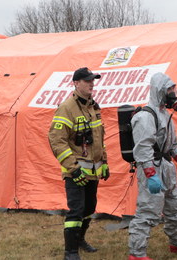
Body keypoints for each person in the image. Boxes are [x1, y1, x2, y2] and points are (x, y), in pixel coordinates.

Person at [127, 72, 177, 260]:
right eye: (169, 89)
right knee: (148, 210)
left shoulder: (165, 114)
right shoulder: (145, 116)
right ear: (159, 90)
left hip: (166, 167)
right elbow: (143, 148)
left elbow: (173, 145)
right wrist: (151, 174)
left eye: (173, 89)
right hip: (151, 167)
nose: (172, 93)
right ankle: (137, 253)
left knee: (175, 207)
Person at [48, 67, 110, 260]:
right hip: (75, 172)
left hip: (93, 171)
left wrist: (105, 161)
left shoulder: (93, 107)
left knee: (89, 209)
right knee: (76, 211)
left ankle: (81, 240)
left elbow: (99, 138)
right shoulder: (67, 107)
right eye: (87, 81)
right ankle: (71, 252)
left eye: (93, 80)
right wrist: (73, 169)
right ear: (76, 83)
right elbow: (57, 140)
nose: (92, 84)